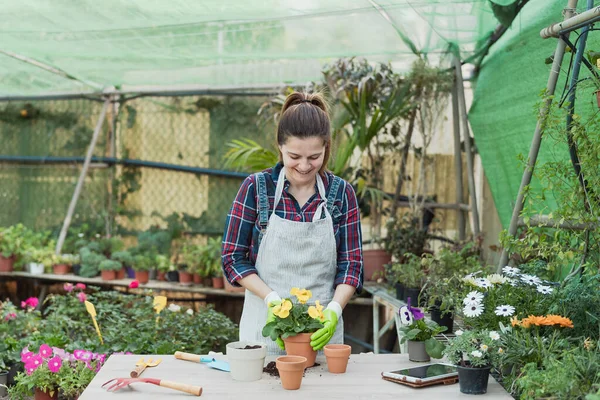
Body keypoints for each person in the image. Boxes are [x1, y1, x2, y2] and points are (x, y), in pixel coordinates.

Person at [222, 91, 363, 355]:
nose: (304, 166)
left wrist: (333, 310)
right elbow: (232, 258)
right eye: (294, 156)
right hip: (263, 334)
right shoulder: (256, 188)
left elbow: (352, 265)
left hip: (320, 336)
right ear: (280, 147)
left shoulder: (342, 194)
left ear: (326, 148)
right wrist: (271, 299)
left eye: (314, 157)